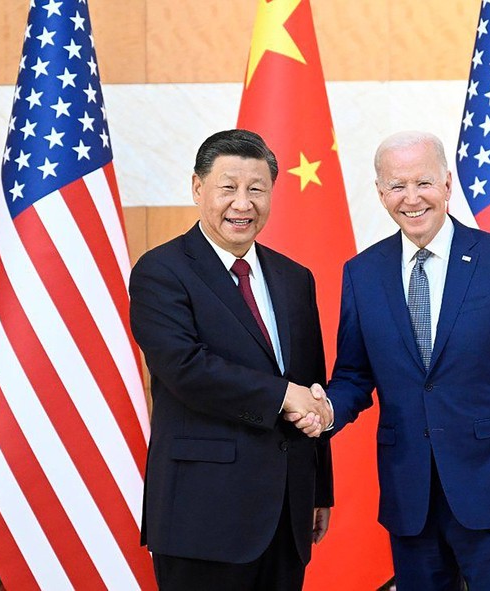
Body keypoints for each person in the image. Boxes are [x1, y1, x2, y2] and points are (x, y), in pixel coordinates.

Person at [290, 131, 490, 590]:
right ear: (380, 193)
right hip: (410, 498)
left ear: (447, 184)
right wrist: (328, 409)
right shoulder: (362, 272)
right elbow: (355, 375)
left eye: (424, 183)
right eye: (397, 186)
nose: (411, 198)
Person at [129, 129, 333, 591]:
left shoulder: (294, 277)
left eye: (256, 189)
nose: (243, 203)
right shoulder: (160, 271)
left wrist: (318, 490)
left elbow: (311, 385)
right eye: (228, 187)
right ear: (198, 188)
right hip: (203, 516)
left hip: (287, 512)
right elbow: (186, 369)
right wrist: (283, 396)